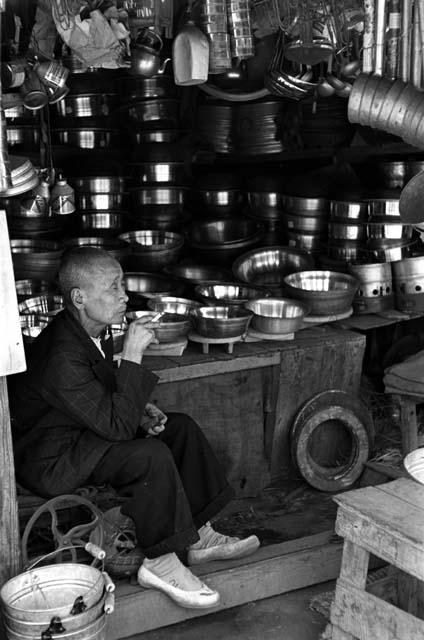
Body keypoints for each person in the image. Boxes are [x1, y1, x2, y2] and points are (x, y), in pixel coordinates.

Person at [9, 246, 260, 609]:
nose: (124, 295)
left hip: (83, 433)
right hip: (54, 459)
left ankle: (198, 536)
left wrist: (139, 408)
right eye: (113, 287)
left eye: (122, 284)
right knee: (149, 455)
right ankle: (161, 561)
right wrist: (134, 356)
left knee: (179, 429)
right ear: (79, 297)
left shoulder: (93, 328)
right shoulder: (60, 355)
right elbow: (116, 427)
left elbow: (103, 396)